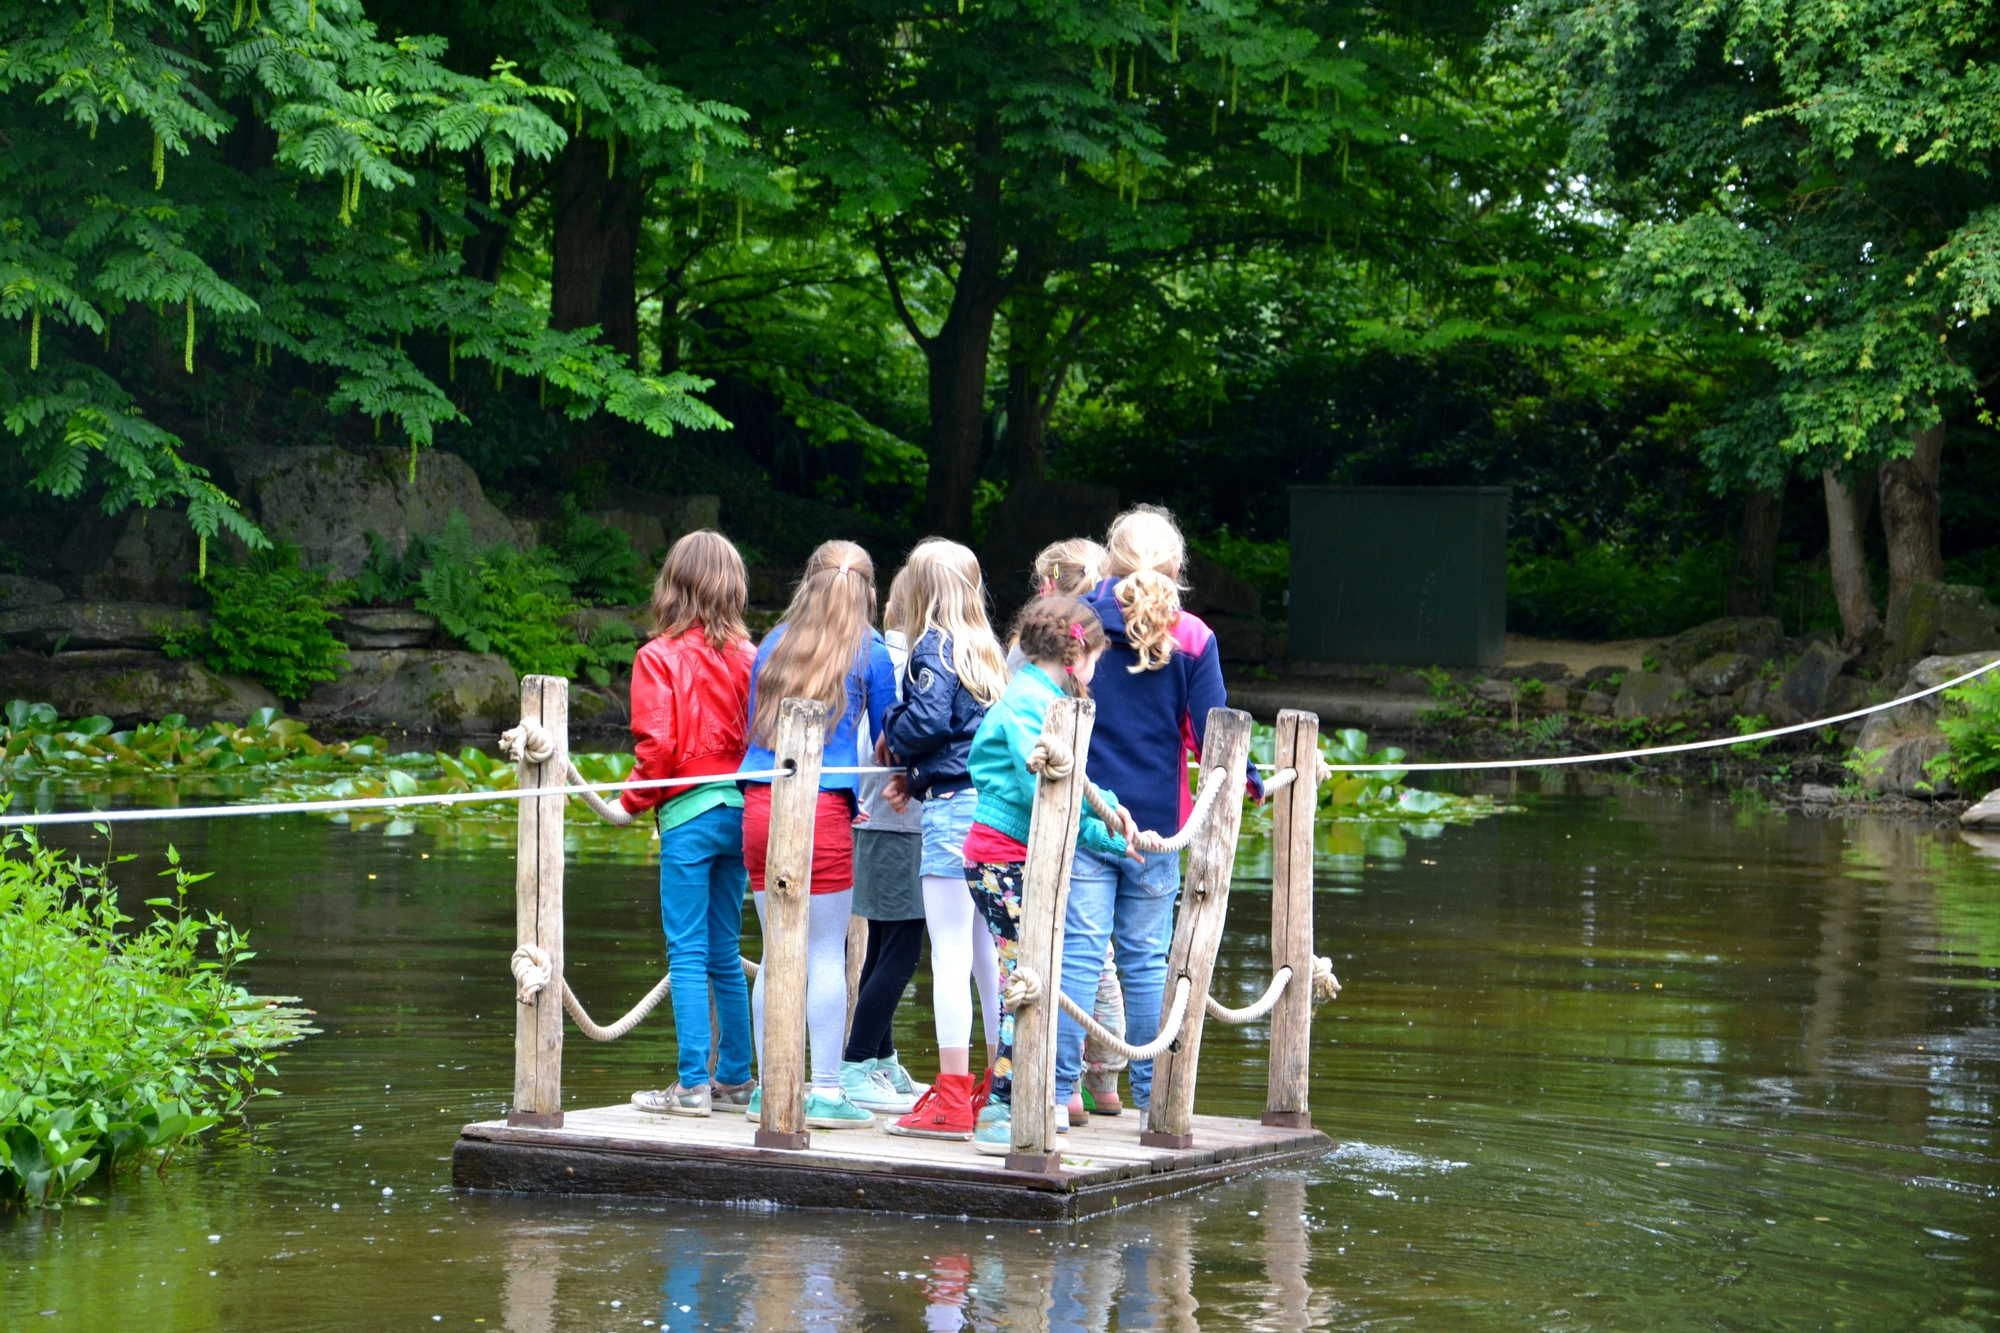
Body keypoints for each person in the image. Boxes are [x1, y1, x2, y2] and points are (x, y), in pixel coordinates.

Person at [1055, 506, 1262, 1118]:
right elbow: (1210, 733)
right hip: (1157, 828)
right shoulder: (1193, 636)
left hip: (1085, 814)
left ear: (1108, 561)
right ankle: (1153, 1099)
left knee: (1078, 955)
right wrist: (1248, 779)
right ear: (1177, 568)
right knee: (1147, 961)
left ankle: (1060, 1091)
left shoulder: (1075, 623)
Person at [959, 596, 1139, 1156]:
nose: (1094, 676)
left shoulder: (1046, 699)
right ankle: (1000, 1113)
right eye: (1095, 662)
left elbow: (1071, 794)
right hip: (1001, 861)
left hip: (1014, 857)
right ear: (1076, 653)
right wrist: (1112, 829)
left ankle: (1020, 1103)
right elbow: (1053, 790)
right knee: (1027, 985)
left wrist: (1113, 823)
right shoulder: (1031, 704)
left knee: (1031, 979)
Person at [737, 540, 898, 1129]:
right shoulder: (871, 653)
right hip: (824, 809)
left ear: (807, 582)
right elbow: (891, 737)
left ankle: (766, 1088)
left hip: (758, 803)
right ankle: (826, 1089)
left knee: (777, 949)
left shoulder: (772, 643)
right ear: (868, 593)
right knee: (825, 950)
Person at [876, 540, 1008, 1140]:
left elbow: (927, 722)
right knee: (988, 959)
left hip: (953, 816)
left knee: (951, 955)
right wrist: (921, 777)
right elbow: (969, 738)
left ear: (922, 590)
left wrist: (891, 732)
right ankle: (993, 1086)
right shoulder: (990, 651)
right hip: (991, 813)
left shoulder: (933, 645)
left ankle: (952, 1097)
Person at [624, 531, 759, 1118]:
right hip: (744, 813)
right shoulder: (753, 657)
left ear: (672, 585)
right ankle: (734, 1079)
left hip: (689, 816)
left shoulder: (657, 655)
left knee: (686, 951)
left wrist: (628, 804)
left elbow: (657, 749)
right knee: (725, 951)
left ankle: (690, 1086)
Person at [1005, 538, 1129, 1120]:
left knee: (1059, 961)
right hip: (1035, 839)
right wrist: (1108, 829)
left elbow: (1067, 780)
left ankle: (1064, 1087)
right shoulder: (1037, 698)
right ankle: (1068, 1087)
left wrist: (1105, 812)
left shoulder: (1029, 674)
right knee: (1070, 961)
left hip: (1060, 834)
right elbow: (1050, 777)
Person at [837, 567, 930, 1116]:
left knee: (881, 945)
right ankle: (855, 1061)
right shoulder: (909, 663)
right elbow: (893, 739)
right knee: (902, 950)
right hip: (898, 819)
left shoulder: (873, 653)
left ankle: (882, 1057)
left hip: (875, 817)